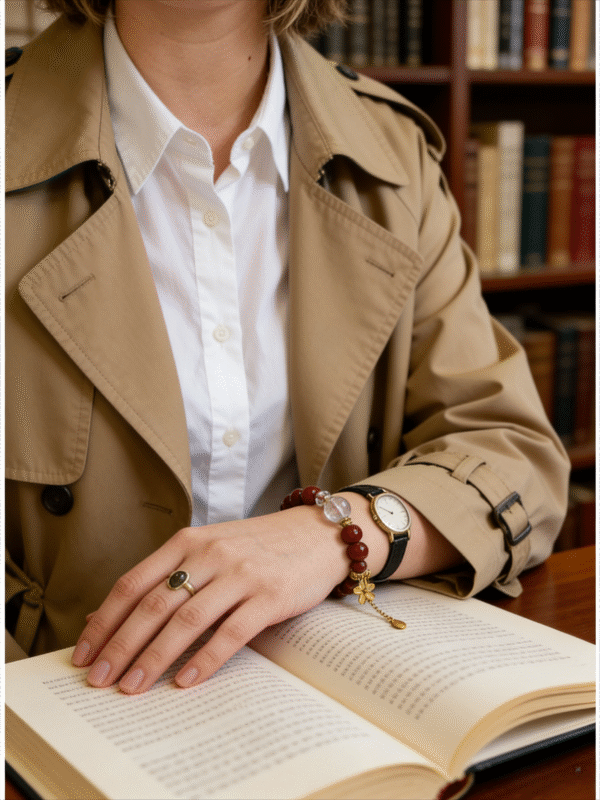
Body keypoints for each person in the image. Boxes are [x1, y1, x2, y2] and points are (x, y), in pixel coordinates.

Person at [5, 0, 569, 695]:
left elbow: (511, 453)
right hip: (65, 712)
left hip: (338, 706)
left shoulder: (394, 154)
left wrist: (338, 533)